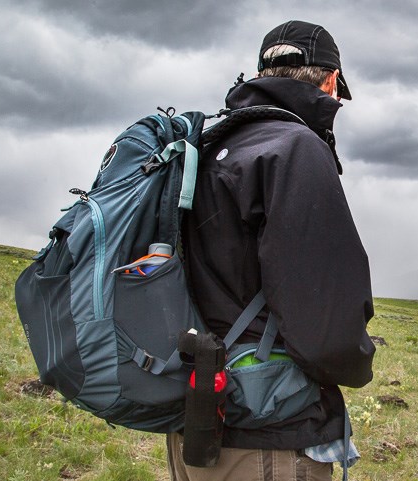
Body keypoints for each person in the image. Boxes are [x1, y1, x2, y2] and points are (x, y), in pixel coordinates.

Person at [167, 20, 377, 481]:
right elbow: (326, 317)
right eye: (339, 92)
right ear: (330, 81)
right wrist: (358, 362)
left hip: (197, 417)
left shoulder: (213, 144)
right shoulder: (295, 149)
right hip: (267, 430)